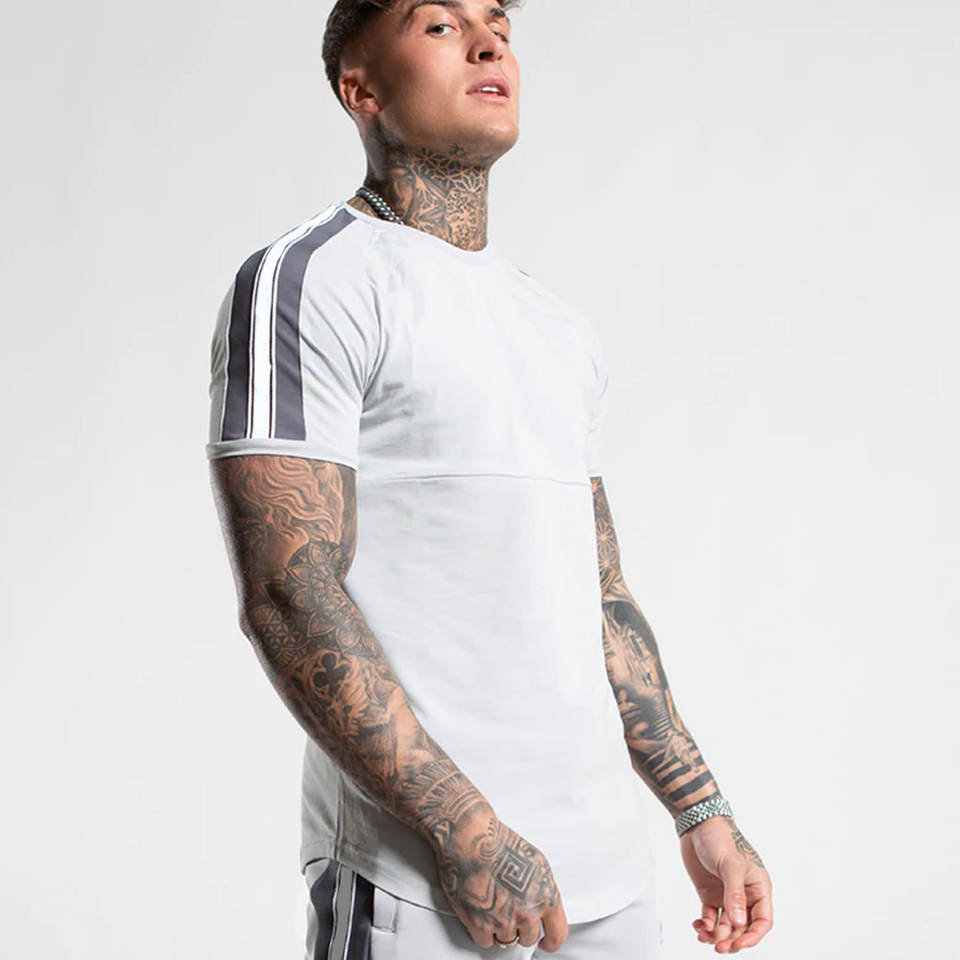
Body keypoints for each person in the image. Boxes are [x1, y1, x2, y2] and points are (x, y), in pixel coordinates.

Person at [205, 0, 774, 957]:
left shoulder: (555, 327)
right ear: (360, 89)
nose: (487, 42)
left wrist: (699, 807)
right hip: (421, 877)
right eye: (439, 24)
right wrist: (462, 827)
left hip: (605, 879)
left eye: (498, 22)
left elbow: (600, 594)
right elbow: (288, 592)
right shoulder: (309, 281)